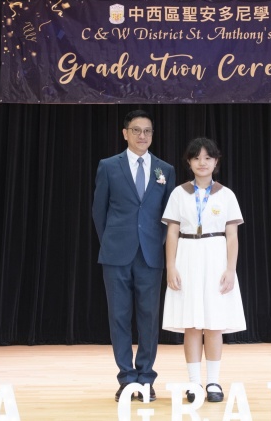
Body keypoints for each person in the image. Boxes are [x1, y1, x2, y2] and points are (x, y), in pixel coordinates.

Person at [92, 110, 175, 402]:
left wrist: (156, 242)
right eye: (137, 130)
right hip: (116, 253)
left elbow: (169, 215)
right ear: (125, 133)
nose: (143, 136)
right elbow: (99, 211)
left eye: (148, 131)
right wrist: (111, 241)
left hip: (150, 254)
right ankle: (126, 378)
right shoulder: (108, 166)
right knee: (119, 316)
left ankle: (146, 378)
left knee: (149, 318)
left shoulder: (165, 169)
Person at [161, 137, 246, 403]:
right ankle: (194, 382)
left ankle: (213, 382)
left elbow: (232, 236)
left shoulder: (227, 195)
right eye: (196, 158)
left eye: (208, 158)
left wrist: (230, 269)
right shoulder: (178, 193)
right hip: (187, 257)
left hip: (215, 259)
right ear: (189, 162)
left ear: (216, 162)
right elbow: (172, 233)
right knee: (192, 324)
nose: (202, 162)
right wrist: (171, 266)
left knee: (214, 324)